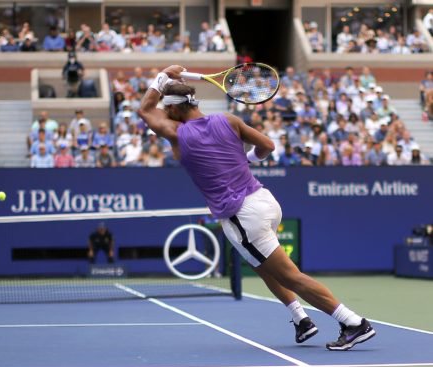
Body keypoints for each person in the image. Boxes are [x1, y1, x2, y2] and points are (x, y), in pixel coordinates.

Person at [138, 65, 376, 351]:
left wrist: (163, 74)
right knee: (261, 266)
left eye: (168, 109)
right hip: (265, 201)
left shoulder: (176, 133)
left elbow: (146, 108)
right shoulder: (228, 120)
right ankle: (301, 319)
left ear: (174, 110)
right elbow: (267, 145)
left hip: (241, 215)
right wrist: (248, 159)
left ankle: (353, 323)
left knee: (291, 276)